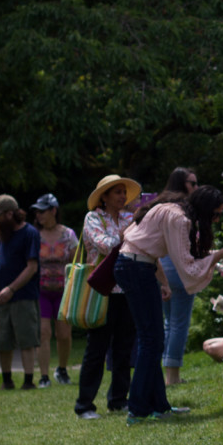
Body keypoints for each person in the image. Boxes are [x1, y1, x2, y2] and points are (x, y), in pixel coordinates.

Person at [114, 185, 223, 425]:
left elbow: (152, 247)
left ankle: (159, 406)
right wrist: (222, 254)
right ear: (205, 211)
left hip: (139, 267)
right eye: (215, 214)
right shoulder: (179, 219)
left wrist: (163, 281)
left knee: (153, 340)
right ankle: (136, 409)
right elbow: (187, 267)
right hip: (137, 269)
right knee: (151, 341)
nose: (217, 220)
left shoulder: (172, 209)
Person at [74, 174, 141, 420]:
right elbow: (105, 244)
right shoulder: (93, 218)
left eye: (124, 192)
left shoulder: (127, 217)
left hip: (126, 289)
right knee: (97, 349)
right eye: (117, 192)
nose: (123, 196)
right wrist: (127, 234)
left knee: (124, 348)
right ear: (104, 197)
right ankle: (84, 405)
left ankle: (118, 400)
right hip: (102, 291)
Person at [0, 194, 41, 390]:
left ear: (9, 214)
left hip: (23, 296)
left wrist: (11, 288)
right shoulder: (3, 235)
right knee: (3, 340)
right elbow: (0, 258)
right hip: (2, 296)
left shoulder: (29, 233)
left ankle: (28, 381)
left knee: (26, 339)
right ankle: (6, 381)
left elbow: (31, 267)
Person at [31, 193, 79, 388]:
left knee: (64, 334)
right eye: (37, 212)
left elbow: (76, 262)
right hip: (41, 291)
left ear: (53, 211)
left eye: (42, 211)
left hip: (63, 290)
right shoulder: (34, 235)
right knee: (43, 333)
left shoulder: (68, 235)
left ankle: (62, 369)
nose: (39, 215)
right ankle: (44, 376)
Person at [159, 167, 198, 386]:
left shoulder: (160, 204)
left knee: (168, 323)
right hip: (177, 267)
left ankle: (167, 374)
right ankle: (172, 377)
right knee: (178, 324)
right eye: (192, 183)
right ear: (181, 184)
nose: (196, 188)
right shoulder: (183, 208)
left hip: (160, 267)